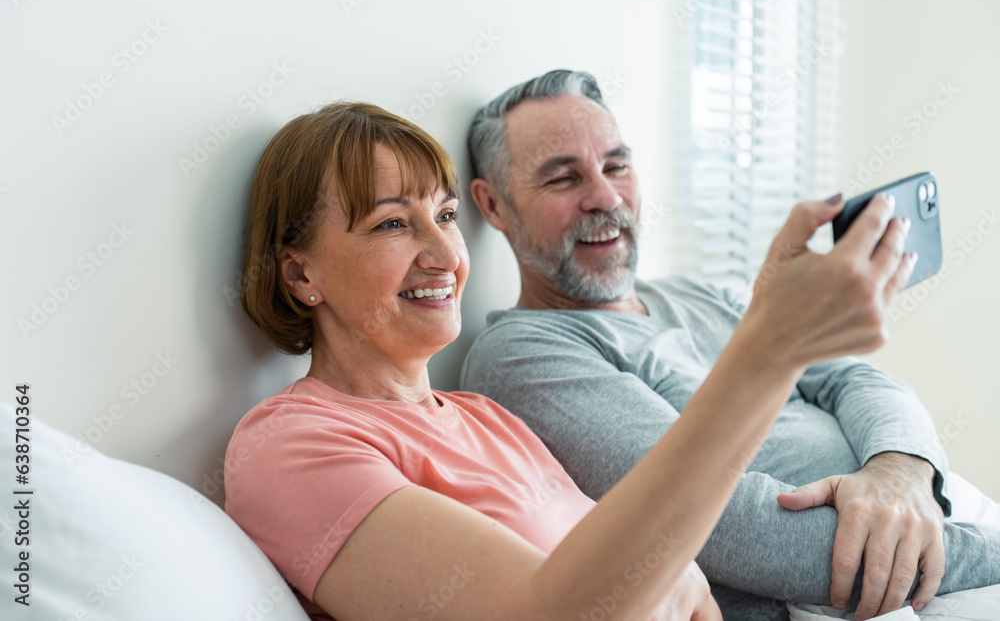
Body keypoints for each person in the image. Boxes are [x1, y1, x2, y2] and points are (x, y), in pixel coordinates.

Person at [224, 101, 918, 621]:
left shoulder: (486, 419)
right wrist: (770, 352)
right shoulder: (289, 444)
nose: (442, 254)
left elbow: (681, 584)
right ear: (299, 275)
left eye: (441, 215)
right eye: (392, 223)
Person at [460, 69, 1000, 621]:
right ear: (494, 205)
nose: (604, 196)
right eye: (562, 179)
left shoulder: (698, 294)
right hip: (869, 583)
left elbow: (855, 378)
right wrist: (978, 548)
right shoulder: (523, 353)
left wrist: (901, 469)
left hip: (926, 511)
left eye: (617, 165)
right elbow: (733, 533)